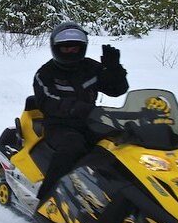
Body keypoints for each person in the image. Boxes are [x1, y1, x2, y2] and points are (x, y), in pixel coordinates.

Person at [33, 21, 129, 200]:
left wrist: (114, 69)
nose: (70, 51)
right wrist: (75, 107)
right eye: (65, 48)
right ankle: (47, 198)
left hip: (91, 120)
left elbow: (116, 90)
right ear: (56, 48)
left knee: (121, 142)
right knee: (72, 147)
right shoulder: (45, 73)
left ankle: (121, 193)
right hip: (59, 125)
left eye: (75, 48)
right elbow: (46, 101)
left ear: (82, 48)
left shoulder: (91, 68)